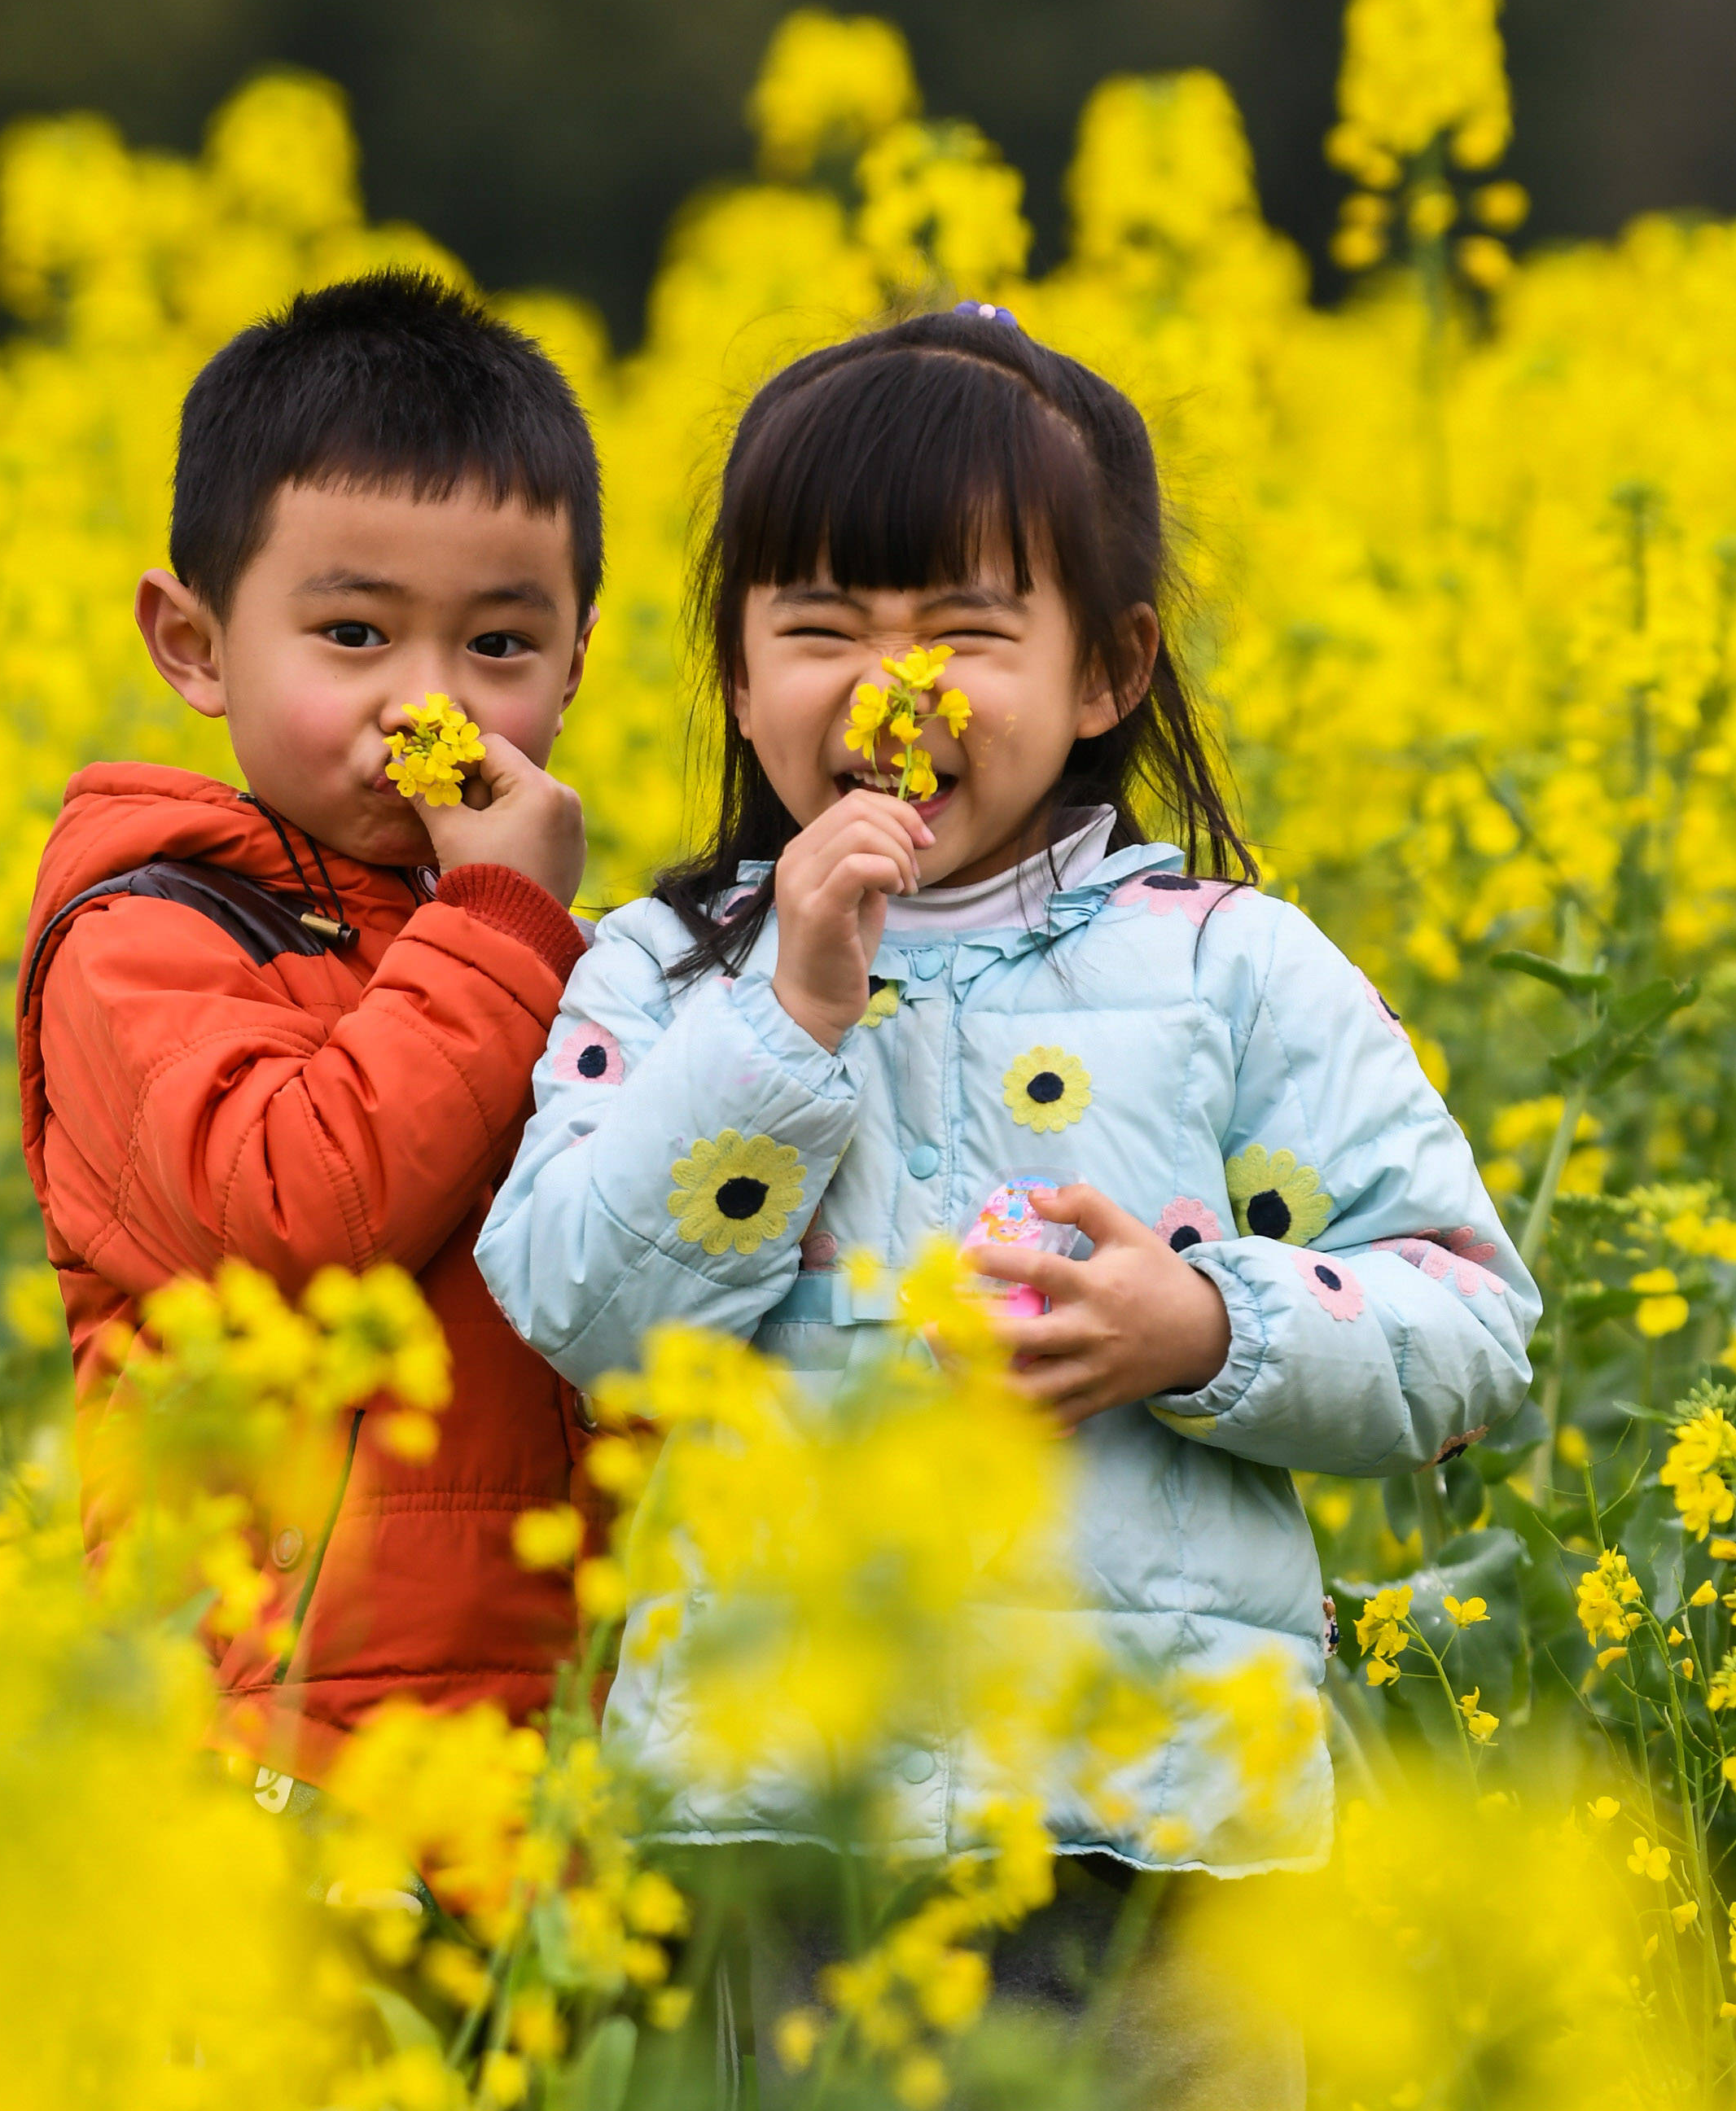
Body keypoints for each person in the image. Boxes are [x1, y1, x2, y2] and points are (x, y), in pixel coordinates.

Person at [476, 299, 1540, 1936]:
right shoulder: (665, 972)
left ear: (1109, 671)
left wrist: (1201, 1329)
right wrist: (788, 1020)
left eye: (966, 630)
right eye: (822, 628)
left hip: (1159, 1837)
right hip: (773, 1829)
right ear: (740, 677)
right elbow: (581, 1313)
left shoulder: (1233, 968)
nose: (893, 688)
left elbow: (1469, 1325)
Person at [17, 265, 598, 1770]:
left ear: (580, 657)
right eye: (353, 636)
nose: (431, 712)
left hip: (561, 1774)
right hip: (275, 1768)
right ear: (193, 644)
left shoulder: (557, 950)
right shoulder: (143, 938)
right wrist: (500, 931)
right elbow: (299, 1213)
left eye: (500, 649)